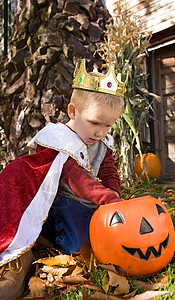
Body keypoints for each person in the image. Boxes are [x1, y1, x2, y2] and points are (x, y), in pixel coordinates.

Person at [0, 59, 128, 299]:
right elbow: (77, 180)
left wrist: (116, 196)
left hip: (90, 200)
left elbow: (109, 171)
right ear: (73, 112)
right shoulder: (59, 139)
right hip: (58, 201)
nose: (101, 132)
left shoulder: (101, 141)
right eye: (95, 123)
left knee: (102, 232)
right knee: (79, 246)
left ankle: (47, 240)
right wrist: (110, 200)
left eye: (109, 125)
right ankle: (46, 253)